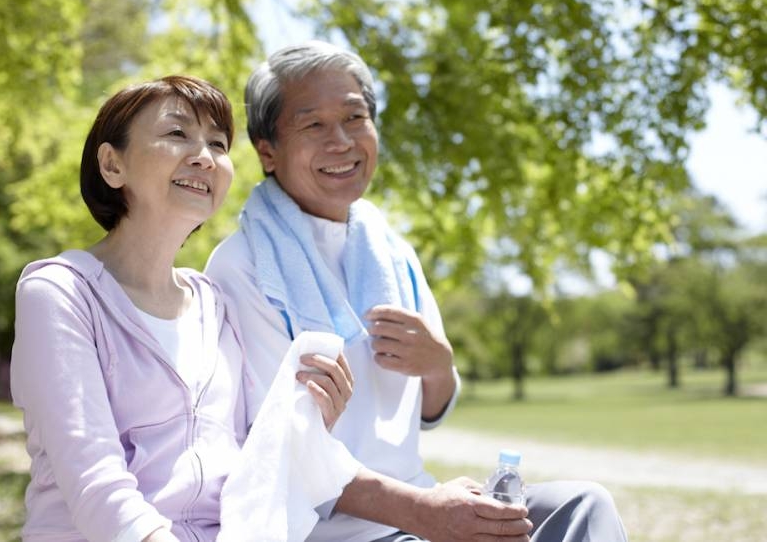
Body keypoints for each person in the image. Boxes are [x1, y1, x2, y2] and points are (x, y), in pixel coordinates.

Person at [205, 41, 629, 542]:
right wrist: (426, 513)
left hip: (420, 504)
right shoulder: (243, 266)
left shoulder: (391, 253)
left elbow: (433, 408)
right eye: (313, 124)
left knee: (582, 506)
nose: (341, 141)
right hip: (330, 532)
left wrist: (438, 364)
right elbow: (285, 448)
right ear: (267, 150)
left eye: (355, 117)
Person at [9, 75, 355, 542]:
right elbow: (93, 479)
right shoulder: (59, 293)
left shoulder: (215, 304)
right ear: (113, 165)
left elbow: (254, 461)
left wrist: (308, 423)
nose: (205, 156)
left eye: (217, 143)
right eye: (177, 134)